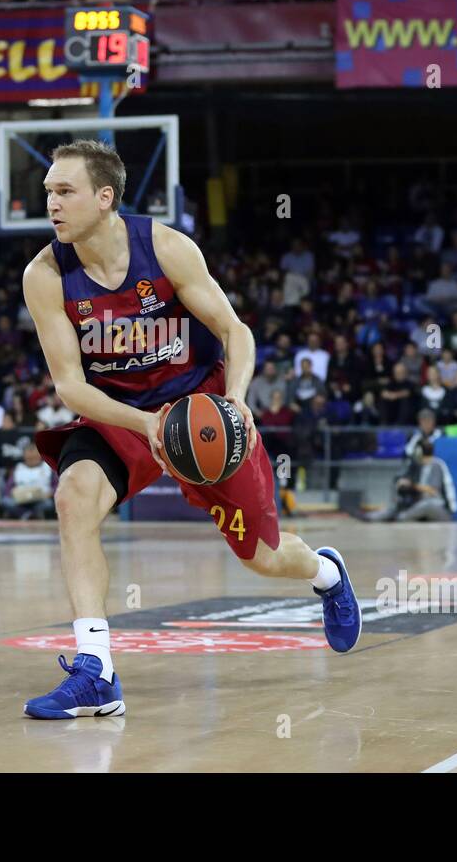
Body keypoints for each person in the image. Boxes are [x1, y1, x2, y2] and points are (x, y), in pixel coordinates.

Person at [21, 139, 360, 720]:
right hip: (120, 413)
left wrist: (235, 401)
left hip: (199, 409)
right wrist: (143, 423)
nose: (50, 202)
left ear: (104, 198)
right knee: (74, 496)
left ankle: (326, 573)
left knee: (264, 558)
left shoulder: (166, 247)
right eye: (48, 191)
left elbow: (236, 333)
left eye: (64, 191)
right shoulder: (46, 274)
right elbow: (70, 389)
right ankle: (96, 667)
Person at [364, 440, 457, 521]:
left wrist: (412, 486)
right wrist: (403, 483)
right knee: (401, 506)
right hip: (419, 506)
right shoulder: (418, 466)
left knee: (427, 505)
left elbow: (432, 491)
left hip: (441, 509)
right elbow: (405, 481)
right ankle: (372, 517)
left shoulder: (437, 465)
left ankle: (402, 517)